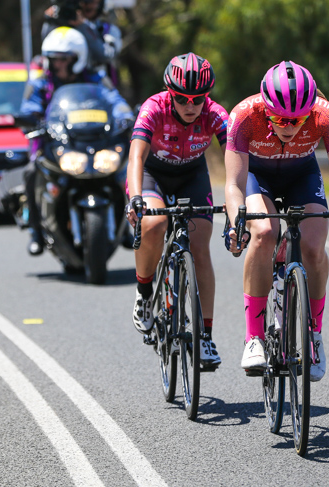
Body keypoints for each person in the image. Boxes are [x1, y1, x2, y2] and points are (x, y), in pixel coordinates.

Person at [223, 60, 329, 381]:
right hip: (257, 177)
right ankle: (254, 338)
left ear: (311, 109)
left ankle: (313, 336)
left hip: (301, 175)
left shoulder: (326, 114)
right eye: (279, 119)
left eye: (298, 120)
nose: (289, 126)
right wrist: (235, 223)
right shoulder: (245, 115)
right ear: (265, 107)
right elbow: (233, 183)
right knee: (263, 231)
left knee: (314, 248)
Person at [125, 53, 230, 369]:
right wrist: (134, 198)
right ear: (169, 92)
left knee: (200, 248)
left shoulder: (214, 114)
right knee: (154, 224)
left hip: (192, 176)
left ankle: (205, 337)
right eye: (182, 98)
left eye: (198, 98)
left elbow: (238, 158)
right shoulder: (153, 108)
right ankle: (144, 295)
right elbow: (135, 158)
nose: (190, 104)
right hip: (152, 175)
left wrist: (243, 201)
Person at [21, 25, 130, 255]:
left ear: (78, 58)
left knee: (125, 169)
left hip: (94, 142)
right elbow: (29, 108)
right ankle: (36, 233)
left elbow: (115, 100)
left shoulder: (96, 78)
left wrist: (125, 116)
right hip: (54, 144)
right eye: (53, 59)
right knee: (31, 172)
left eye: (63, 59)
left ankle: (127, 228)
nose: (57, 64)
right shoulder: (42, 83)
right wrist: (31, 119)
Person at [42, 0, 121, 81]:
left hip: (92, 85)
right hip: (61, 86)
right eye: (82, 2)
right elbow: (47, 49)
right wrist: (51, 22)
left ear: (101, 3)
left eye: (91, 2)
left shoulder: (107, 29)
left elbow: (105, 56)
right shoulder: (61, 23)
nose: (86, 6)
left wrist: (83, 26)